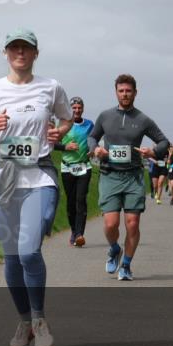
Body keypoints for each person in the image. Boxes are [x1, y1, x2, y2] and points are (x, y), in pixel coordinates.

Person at [0, 28, 72, 346]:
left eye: (26, 48)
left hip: (39, 176)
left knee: (28, 251)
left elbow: (66, 119)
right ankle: (25, 321)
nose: (20, 53)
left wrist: (59, 132)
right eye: (14, 47)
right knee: (12, 258)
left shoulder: (50, 87)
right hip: (4, 180)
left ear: (35, 53)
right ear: (5, 53)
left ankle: (40, 320)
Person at [89, 74, 170, 281]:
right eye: (121, 91)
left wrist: (152, 152)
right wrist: (95, 149)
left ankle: (126, 265)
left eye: (128, 91)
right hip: (109, 174)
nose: (125, 94)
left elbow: (164, 142)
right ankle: (115, 249)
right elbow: (92, 137)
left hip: (133, 177)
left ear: (135, 93)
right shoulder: (105, 116)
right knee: (110, 224)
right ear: (116, 92)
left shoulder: (143, 119)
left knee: (132, 224)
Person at [60, 96, 94, 247]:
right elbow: (52, 143)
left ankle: (80, 234)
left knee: (81, 199)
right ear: (70, 109)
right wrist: (65, 147)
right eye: (74, 108)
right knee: (71, 201)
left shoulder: (89, 124)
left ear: (83, 109)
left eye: (79, 108)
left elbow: (94, 139)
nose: (77, 110)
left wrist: (93, 149)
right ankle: (74, 230)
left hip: (84, 167)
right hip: (67, 167)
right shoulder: (63, 124)